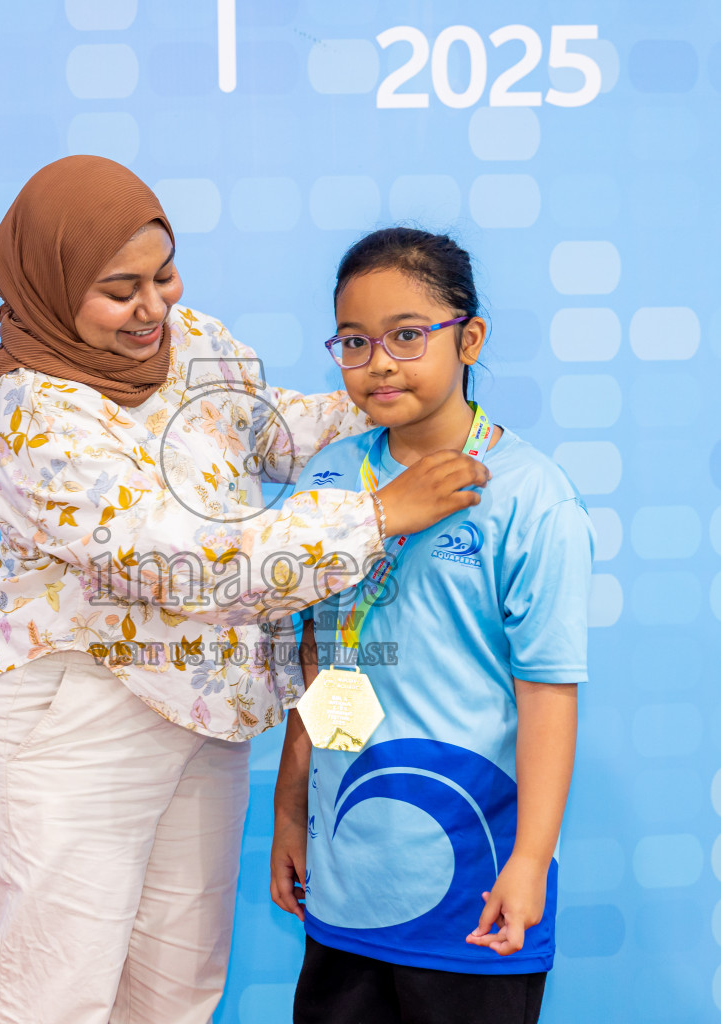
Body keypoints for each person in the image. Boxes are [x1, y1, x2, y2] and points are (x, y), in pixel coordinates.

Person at [0, 159, 492, 1024]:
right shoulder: (31, 414)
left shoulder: (187, 340)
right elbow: (186, 565)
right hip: (74, 718)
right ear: (50, 286)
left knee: (176, 996)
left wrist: (384, 391)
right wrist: (379, 513)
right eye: (118, 289)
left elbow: (265, 433)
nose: (153, 308)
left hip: (204, 709)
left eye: (163, 275)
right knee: (49, 998)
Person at [269, 227, 595, 1024]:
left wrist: (530, 860)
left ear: (470, 338)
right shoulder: (332, 479)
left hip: (476, 884)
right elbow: (328, 658)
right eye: (355, 341)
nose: (379, 362)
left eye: (408, 335)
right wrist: (289, 811)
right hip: (347, 882)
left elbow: (549, 696)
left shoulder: (530, 498)